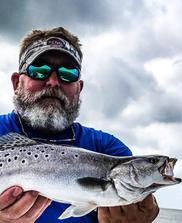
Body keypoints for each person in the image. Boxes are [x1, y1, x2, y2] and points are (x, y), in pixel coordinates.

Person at [0, 27, 159, 223]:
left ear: (79, 88)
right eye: (39, 71)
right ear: (17, 83)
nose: (53, 82)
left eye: (67, 74)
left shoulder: (109, 149)